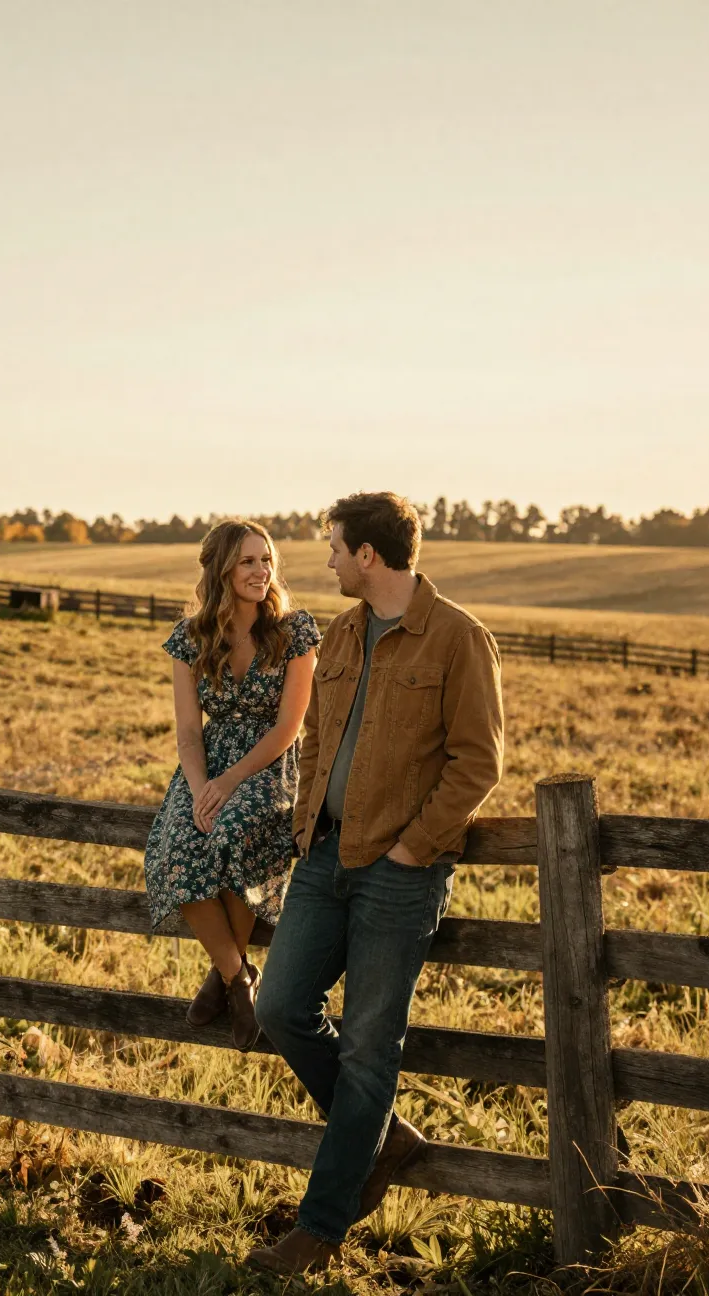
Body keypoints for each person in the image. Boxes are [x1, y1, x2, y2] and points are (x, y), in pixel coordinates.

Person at [247, 493, 504, 1275]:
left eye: (333, 547)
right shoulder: (344, 633)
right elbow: (319, 730)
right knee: (279, 1006)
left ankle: (318, 1230)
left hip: (401, 874)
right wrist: (303, 825)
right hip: (325, 857)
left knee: (367, 1048)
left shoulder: (459, 637)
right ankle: (383, 1137)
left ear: (368, 555)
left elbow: (478, 761)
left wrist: (413, 849)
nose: (324, 560)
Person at [143, 521, 319, 1050]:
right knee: (175, 848)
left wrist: (231, 781)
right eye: (248, 561)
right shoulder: (191, 639)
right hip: (206, 766)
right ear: (222, 569)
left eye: (266, 560)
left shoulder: (295, 632)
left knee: (239, 832)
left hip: (268, 765)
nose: (262, 571)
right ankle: (239, 980)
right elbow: (189, 733)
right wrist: (200, 789)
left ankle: (223, 977)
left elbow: (291, 726)